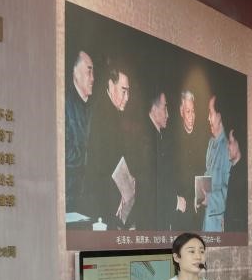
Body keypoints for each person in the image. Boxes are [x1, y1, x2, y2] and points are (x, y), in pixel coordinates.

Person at [86, 59, 133, 227]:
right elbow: (99, 167)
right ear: (111, 86)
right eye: (123, 91)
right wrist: (118, 194)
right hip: (103, 203)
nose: (127, 98)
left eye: (128, 92)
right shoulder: (101, 113)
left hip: (113, 199)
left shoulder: (113, 112)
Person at [163, 90, 206, 232]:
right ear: (181, 112)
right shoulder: (172, 140)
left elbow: (205, 173)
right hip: (180, 212)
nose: (191, 116)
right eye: (188, 112)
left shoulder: (202, 139)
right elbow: (167, 177)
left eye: (193, 111)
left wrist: (201, 198)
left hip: (198, 210)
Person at [130, 88, 169, 231]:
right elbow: (150, 182)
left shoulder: (155, 134)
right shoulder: (146, 137)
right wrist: (174, 201)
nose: (168, 114)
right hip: (149, 217)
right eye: (165, 108)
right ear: (154, 109)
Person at [64, 50, 94, 215]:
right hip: (70, 201)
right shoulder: (65, 103)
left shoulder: (91, 106)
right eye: (89, 72)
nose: (93, 78)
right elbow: (64, 153)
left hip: (87, 200)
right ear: (75, 72)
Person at [202, 94, 233, 232]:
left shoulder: (227, 148)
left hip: (218, 224)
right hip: (207, 219)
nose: (208, 118)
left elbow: (228, 192)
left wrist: (209, 199)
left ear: (219, 117)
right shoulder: (211, 143)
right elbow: (208, 175)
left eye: (210, 113)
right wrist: (199, 195)